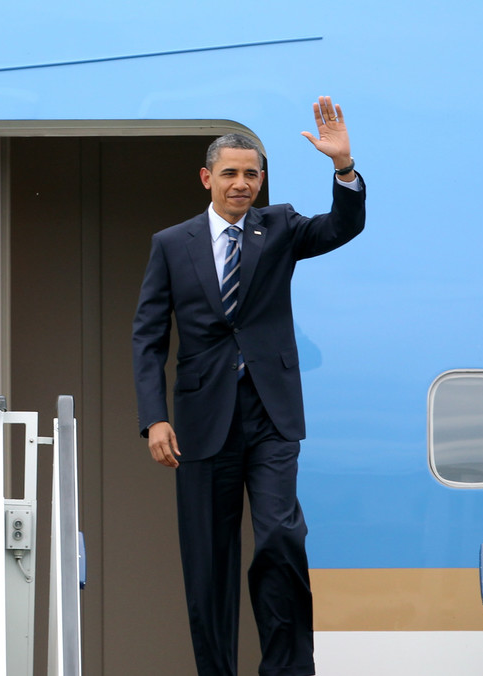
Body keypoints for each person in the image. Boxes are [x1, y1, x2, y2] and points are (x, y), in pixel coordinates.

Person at [131, 96, 365, 676]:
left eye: (251, 174)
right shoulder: (171, 243)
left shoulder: (280, 226)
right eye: (231, 173)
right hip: (201, 422)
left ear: (262, 180)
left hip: (271, 415)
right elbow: (148, 337)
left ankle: (286, 670)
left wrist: (343, 169)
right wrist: (154, 417)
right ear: (207, 178)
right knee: (208, 565)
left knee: (281, 537)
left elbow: (342, 226)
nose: (241, 184)